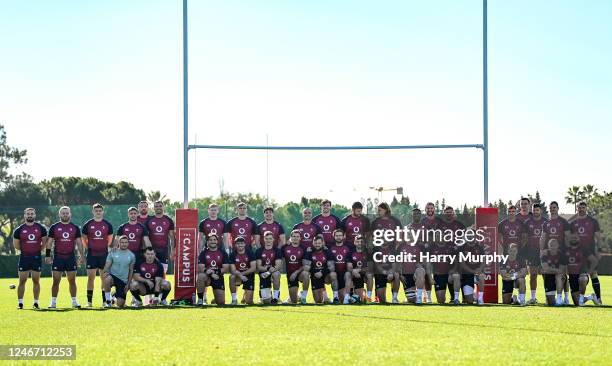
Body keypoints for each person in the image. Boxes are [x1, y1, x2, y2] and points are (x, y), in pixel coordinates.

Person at [47, 206, 84, 309]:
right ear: (59, 214)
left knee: (72, 281)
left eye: (67, 213)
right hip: (58, 257)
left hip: (70, 257)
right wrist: (47, 255)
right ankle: (53, 302)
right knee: (55, 281)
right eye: (63, 213)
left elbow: (79, 243)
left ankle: (74, 302)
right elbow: (49, 242)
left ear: (70, 214)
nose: (65, 215)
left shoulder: (75, 227)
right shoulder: (54, 227)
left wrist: (81, 256)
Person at [13, 208, 48, 309]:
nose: (30, 215)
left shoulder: (41, 228)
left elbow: (44, 242)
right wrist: (26, 251)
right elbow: (16, 245)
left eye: (31, 214)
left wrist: (37, 250)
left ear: (34, 215)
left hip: (36, 258)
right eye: (28, 214)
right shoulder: (19, 230)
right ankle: (20, 303)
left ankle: (36, 303)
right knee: (22, 281)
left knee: (36, 281)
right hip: (24, 258)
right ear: (24, 215)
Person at [569, 201, 603, 305]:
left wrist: (599, 250)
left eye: (583, 207)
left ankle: (598, 299)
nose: (581, 209)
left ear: (586, 208)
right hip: (576, 253)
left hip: (590, 252)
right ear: (576, 209)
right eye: (579, 207)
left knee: (593, 273)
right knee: (580, 277)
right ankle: (582, 298)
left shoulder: (593, 221)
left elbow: (598, 237)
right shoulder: (573, 223)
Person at [82, 203, 114, 307]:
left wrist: (103, 247)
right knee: (90, 278)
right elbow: (84, 239)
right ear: (93, 211)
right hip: (92, 255)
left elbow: (110, 240)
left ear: (102, 212)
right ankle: (89, 302)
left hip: (104, 255)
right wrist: (89, 248)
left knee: (104, 278)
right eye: (96, 211)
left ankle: (104, 301)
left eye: (100, 211)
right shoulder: (88, 224)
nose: (98, 212)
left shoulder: (107, 224)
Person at [540, 201, 571, 304]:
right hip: (549, 251)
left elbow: (568, 237)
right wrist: (541, 250)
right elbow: (543, 237)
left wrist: (568, 250)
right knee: (546, 272)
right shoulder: (546, 223)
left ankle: (566, 297)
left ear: (558, 208)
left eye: (554, 207)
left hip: (562, 252)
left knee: (563, 275)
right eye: (551, 208)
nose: (552, 209)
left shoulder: (563, 222)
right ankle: (549, 293)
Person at [371, 202, 402, 303]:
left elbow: (400, 235)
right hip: (380, 259)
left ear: (386, 210)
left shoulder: (395, 221)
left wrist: (397, 245)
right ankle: (377, 295)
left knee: (396, 274)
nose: (378, 212)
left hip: (391, 251)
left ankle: (394, 298)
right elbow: (371, 236)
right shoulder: (375, 221)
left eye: (380, 210)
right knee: (382, 300)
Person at [437, 206, 465, 303]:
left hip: (457, 254)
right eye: (447, 212)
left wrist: (458, 247)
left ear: (453, 213)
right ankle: (453, 297)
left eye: (450, 212)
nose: (449, 214)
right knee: (447, 274)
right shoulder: (440, 224)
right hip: (444, 253)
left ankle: (460, 297)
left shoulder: (460, 225)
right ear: (444, 213)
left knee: (457, 275)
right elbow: (436, 237)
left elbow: (464, 239)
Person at [564, 234, 599, 306]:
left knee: (583, 279)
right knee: (576, 303)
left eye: (576, 238)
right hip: (572, 276)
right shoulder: (566, 250)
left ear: (579, 239)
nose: (574, 239)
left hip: (582, 275)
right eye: (572, 237)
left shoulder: (583, 249)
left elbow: (594, 261)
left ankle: (581, 299)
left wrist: (588, 272)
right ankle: (591, 297)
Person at [102, 236, 136, 308]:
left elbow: (131, 271)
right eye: (122, 242)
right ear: (119, 243)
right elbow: (107, 266)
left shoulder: (131, 255)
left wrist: (128, 284)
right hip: (113, 277)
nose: (124, 244)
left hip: (123, 280)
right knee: (107, 279)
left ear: (128, 243)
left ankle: (114, 295)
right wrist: (104, 273)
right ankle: (108, 301)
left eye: (126, 242)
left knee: (120, 304)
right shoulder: (113, 252)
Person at [196, 233, 229, 305]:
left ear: (217, 241)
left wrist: (215, 273)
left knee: (221, 302)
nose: (213, 241)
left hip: (218, 277)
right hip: (207, 277)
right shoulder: (203, 253)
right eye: (210, 240)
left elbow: (226, 268)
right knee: (201, 276)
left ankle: (215, 299)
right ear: (207, 242)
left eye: (214, 239)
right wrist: (210, 273)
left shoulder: (223, 253)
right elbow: (200, 268)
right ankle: (200, 300)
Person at [524, 203, 547, 304]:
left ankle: (548, 296)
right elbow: (524, 237)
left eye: (537, 210)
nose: (535, 212)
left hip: (543, 251)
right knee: (533, 275)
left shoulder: (546, 222)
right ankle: (533, 298)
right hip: (531, 251)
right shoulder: (527, 222)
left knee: (545, 275)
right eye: (534, 210)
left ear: (540, 211)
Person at [303, 235, 336, 304]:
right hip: (314, 275)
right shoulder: (309, 252)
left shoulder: (327, 252)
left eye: (319, 243)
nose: (317, 245)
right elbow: (306, 267)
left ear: (322, 243)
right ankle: (302, 295)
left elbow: (332, 267)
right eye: (315, 243)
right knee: (318, 300)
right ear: (313, 243)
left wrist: (321, 272)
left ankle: (335, 297)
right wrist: (314, 272)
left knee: (333, 274)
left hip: (325, 275)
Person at [144, 201, 175, 273]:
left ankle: (162, 283)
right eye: (156, 206)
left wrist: (173, 250)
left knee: (163, 272)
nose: (158, 208)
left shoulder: (168, 220)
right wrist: (147, 250)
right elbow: (145, 237)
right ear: (153, 208)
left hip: (164, 250)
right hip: (151, 251)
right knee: (150, 271)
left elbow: (172, 237)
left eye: (160, 206)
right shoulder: (149, 220)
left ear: (163, 207)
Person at [255, 231, 283, 304]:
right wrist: (267, 269)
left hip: (272, 272)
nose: (268, 240)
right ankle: (266, 295)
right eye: (266, 238)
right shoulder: (259, 251)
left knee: (276, 274)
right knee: (266, 301)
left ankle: (276, 298)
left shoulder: (277, 250)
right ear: (264, 239)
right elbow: (259, 266)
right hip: (263, 274)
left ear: (273, 239)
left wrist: (269, 272)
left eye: (270, 238)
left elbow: (278, 265)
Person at [282, 230, 310, 304]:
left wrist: (296, 272)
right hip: (290, 274)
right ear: (290, 238)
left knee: (306, 273)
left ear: (300, 238)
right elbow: (279, 260)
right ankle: (296, 296)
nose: (295, 238)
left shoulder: (304, 248)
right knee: (294, 301)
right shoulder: (285, 247)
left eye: (297, 236)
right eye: (294, 236)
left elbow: (305, 265)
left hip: (300, 273)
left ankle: (303, 297)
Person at [229, 237, 257, 305]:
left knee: (249, 302)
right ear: (235, 245)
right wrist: (241, 275)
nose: (240, 245)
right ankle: (234, 299)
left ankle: (245, 296)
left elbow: (253, 268)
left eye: (241, 243)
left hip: (249, 275)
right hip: (237, 275)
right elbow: (233, 270)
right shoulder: (232, 254)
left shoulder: (250, 253)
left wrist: (242, 274)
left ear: (245, 244)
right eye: (238, 243)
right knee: (231, 277)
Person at [329, 229, 353, 304]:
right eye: (337, 236)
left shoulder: (348, 248)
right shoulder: (330, 248)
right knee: (333, 274)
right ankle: (335, 297)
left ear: (343, 236)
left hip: (345, 274)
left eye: (340, 235)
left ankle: (347, 297)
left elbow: (350, 263)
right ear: (334, 237)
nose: (338, 237)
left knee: (348, 274)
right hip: (335, 274)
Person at [458, 239, 486, 305]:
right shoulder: (462, 248)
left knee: (481, 276)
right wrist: (472, 271)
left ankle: (480, 299)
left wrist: (480, 268)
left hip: (477, 274)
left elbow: (484, 260)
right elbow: (462, 263)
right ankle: (474, 295)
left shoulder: (479, 247)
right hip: (467, 275)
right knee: (470, 302)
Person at [540, 239, 566, 306]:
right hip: (548, 278)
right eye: (551, 245)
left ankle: (559, 298)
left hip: (558, 278)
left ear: (558, 246)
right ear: (548, 246)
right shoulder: (544, 254)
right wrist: (555, 270)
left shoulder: (561, 254)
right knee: (550, 303)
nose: (553, 247)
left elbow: (562, 270)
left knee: (559, 276)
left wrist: (550, 270)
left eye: (554, 245)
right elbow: (545, 268)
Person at [347, 235, 368, 302]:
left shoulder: (368, 252)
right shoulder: (350, 252)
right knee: (348, 274)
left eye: (361, 242)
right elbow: (349, 266)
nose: (360, 243)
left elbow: (370, 267)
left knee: (361, 300)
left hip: (363, 274)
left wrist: (359, 270)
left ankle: (367, 296)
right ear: (354, 242)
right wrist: (353, 271)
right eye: (358, 241)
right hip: (354, 274)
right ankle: (350, 294)